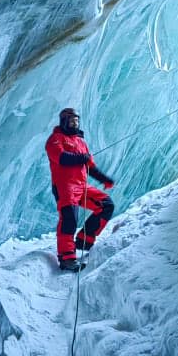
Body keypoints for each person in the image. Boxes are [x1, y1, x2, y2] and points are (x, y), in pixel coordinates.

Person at [45, 108, 116, 272]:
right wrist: (81, 158)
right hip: (65, 186)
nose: (75, 123)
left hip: (81, 186)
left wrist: (104, 179)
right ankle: (66, 258)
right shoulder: (55, 139)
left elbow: (90, 166)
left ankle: (84, 240)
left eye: (76, 120)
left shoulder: (81, 142)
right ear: (63, 121)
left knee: (106, 205)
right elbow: (62, 158)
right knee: (69, 219)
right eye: (71, 120)